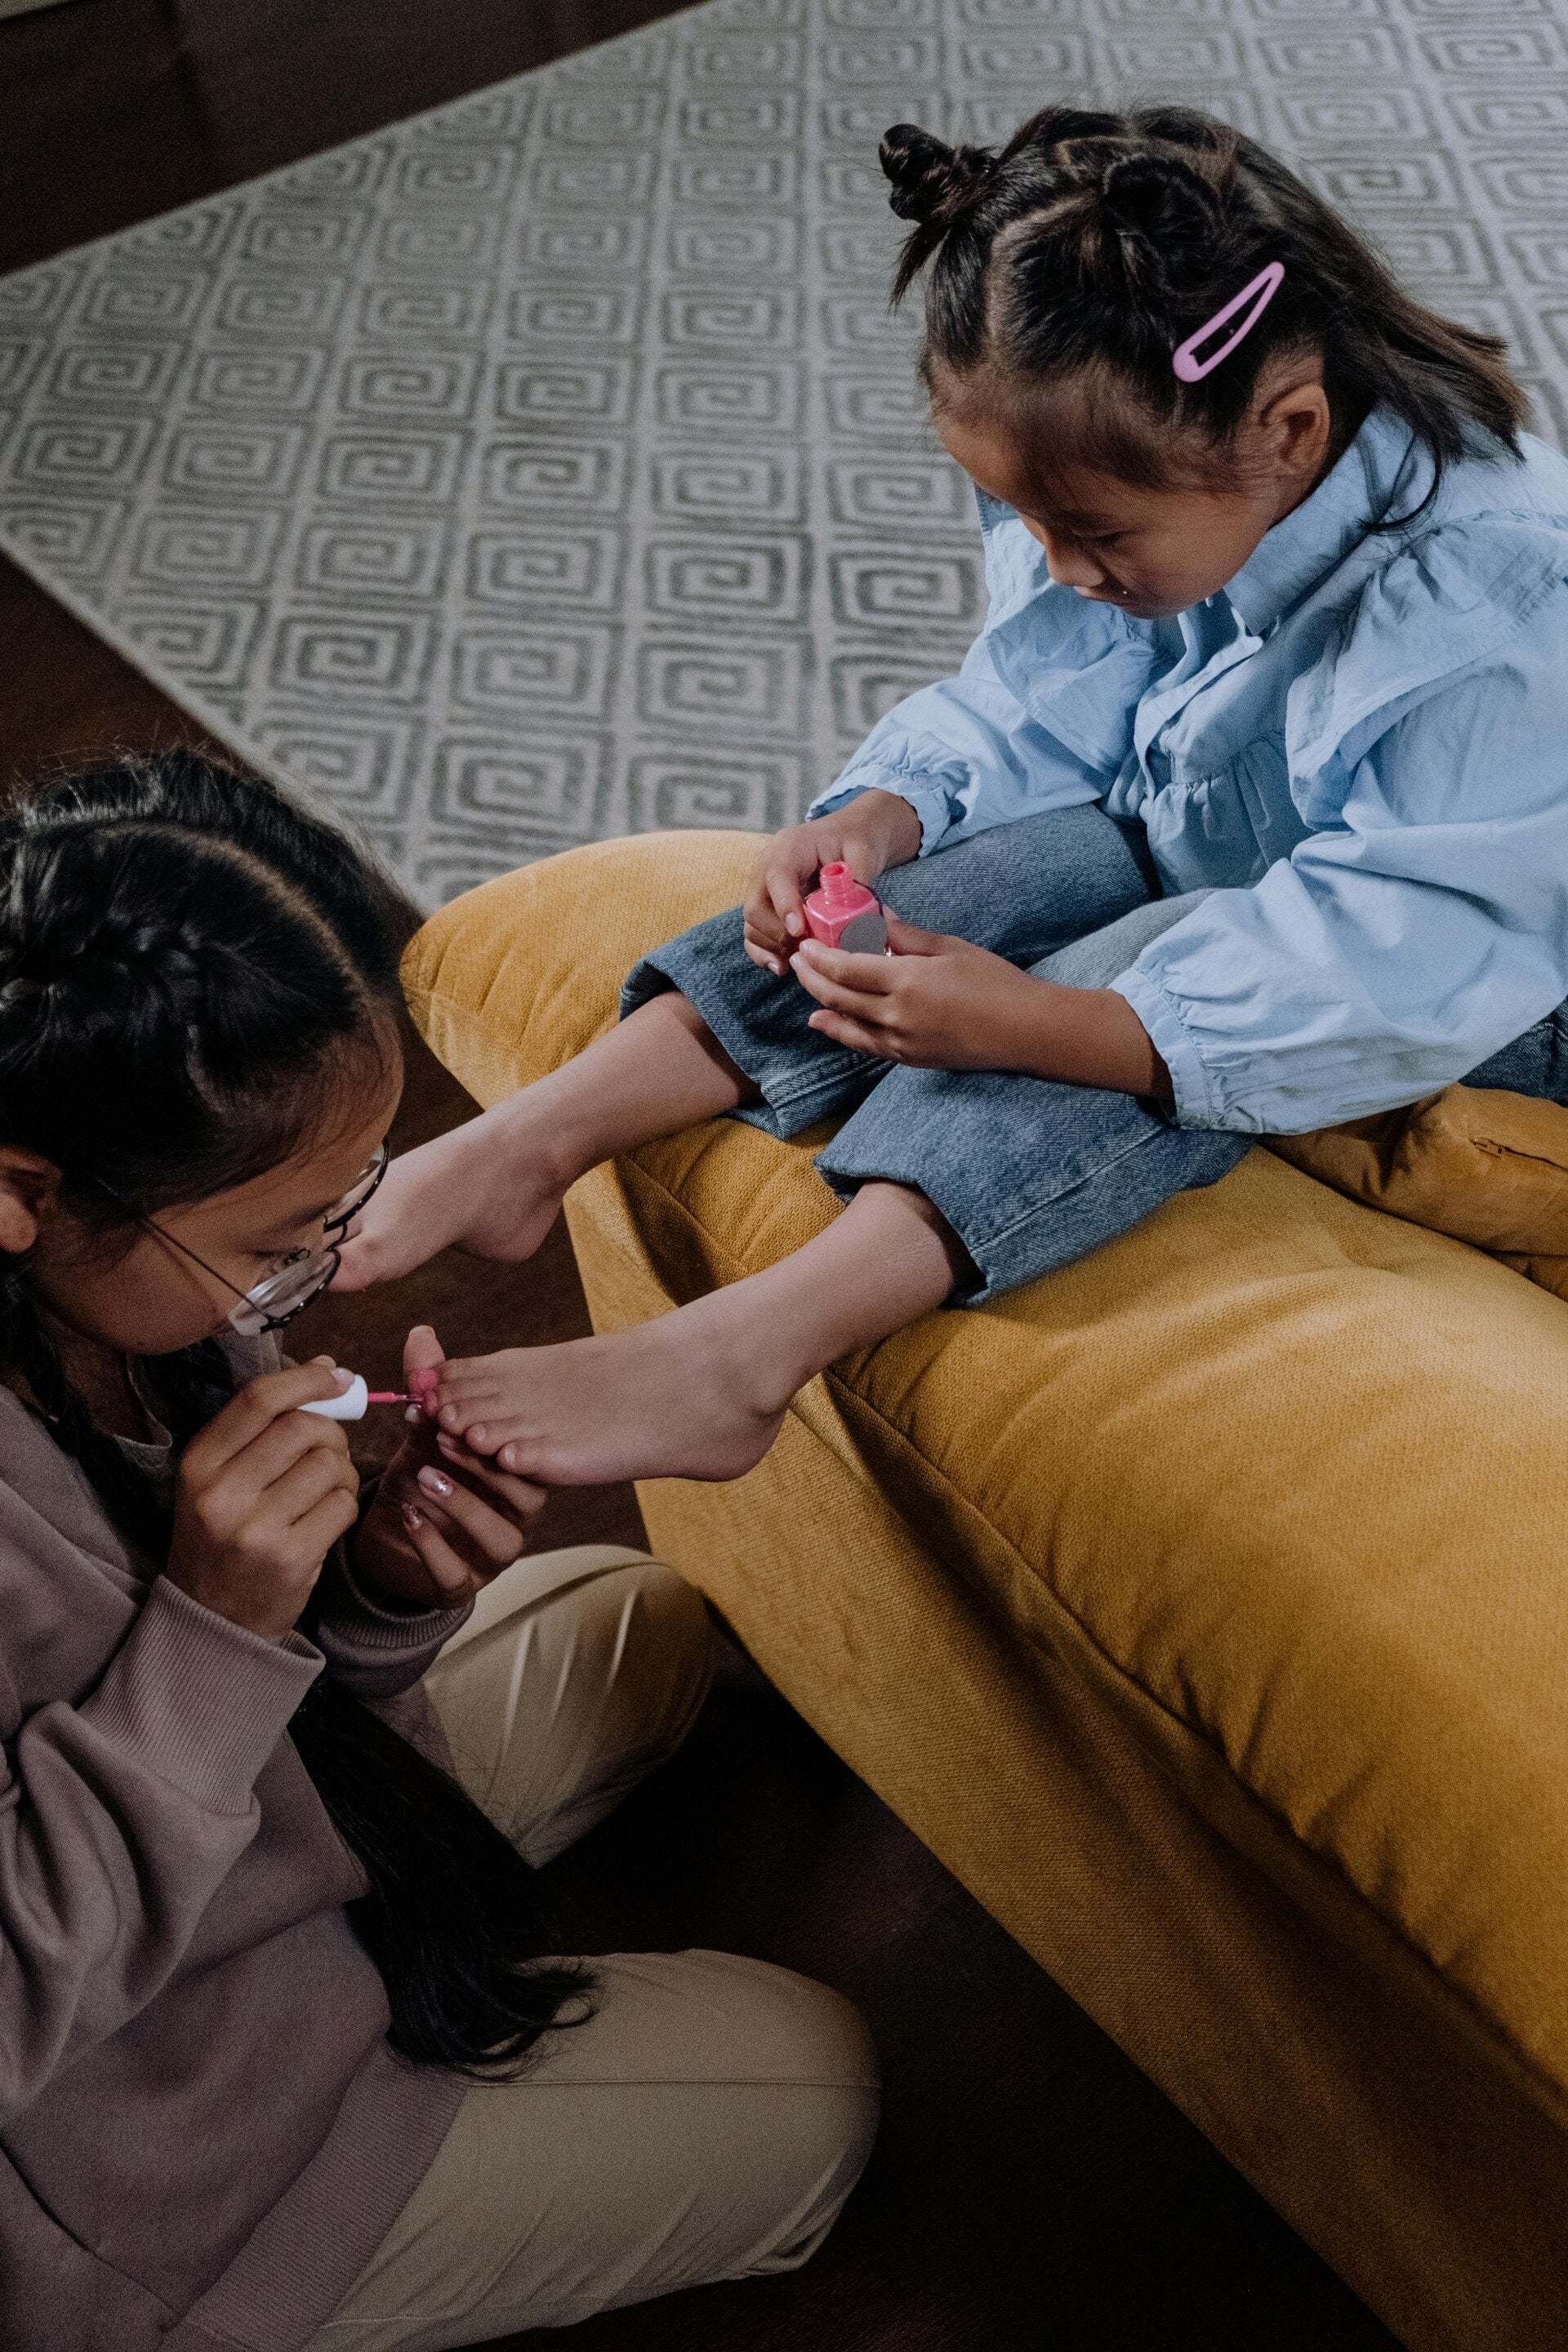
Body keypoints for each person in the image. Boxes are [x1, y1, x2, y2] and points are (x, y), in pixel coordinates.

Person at [334, 103, 1568, 1491]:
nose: (1060, 565)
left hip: (1482, 987)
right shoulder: (1171, 491)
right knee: (992, 875)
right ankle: (532, 1140)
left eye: (1090, 536)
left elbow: (1398, 943)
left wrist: (1054, 1021)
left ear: (1289, 429)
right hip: (1242, 856)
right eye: (1029, 525)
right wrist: (886, 813)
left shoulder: (1504, 598)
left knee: (1141, 960)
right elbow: (1053, 692)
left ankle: (740, 1358)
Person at [0, 752, 878, 2352]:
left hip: (254, 1864)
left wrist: (385, 1589)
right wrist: (217, 1621)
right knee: (817, 2085)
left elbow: (269, 1691)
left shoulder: (129, 1292)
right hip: (145, 2175)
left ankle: (376, 1921)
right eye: (283, 1244)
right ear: (19, 1190)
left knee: (639, 1618)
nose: (321, 1278)